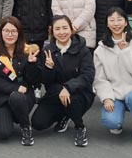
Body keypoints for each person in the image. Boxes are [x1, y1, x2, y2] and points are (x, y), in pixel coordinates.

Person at [93, 7, 132, 151]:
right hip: (116, 94)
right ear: (107, 24)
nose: (116, 23)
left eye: (119, 19)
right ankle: (118, 121)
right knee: (111, 121)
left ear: (126, 22)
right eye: (112, 20)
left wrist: (126, 51)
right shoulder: (101, 49)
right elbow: (100, 79)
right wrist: (107, 98)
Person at [31, 15, 95, 147]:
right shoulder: (47, 51)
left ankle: (79, 127)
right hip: (55, 93)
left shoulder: (82, 49)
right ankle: (65, 114)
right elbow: (46, 83)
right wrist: (49, 68)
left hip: (79, 93)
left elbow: (88, 75)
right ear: (52, 31)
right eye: (57, 29)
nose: (62, 32)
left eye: (65, 28)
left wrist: (68, 88)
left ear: (71, 29)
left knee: (73, 99)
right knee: (38, 123)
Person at [0, 16, 39, 146]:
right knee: (2, 133)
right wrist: (14, 88)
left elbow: (34, 81)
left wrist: (32, 65)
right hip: (1, 99)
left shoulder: (29, 51)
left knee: (17, 97)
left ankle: (26, 127)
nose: (10, 35)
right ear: (1, 32)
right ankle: (8, 117)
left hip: (23, 97)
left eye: (14, 31)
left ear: (19, 32)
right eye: (6, 31)